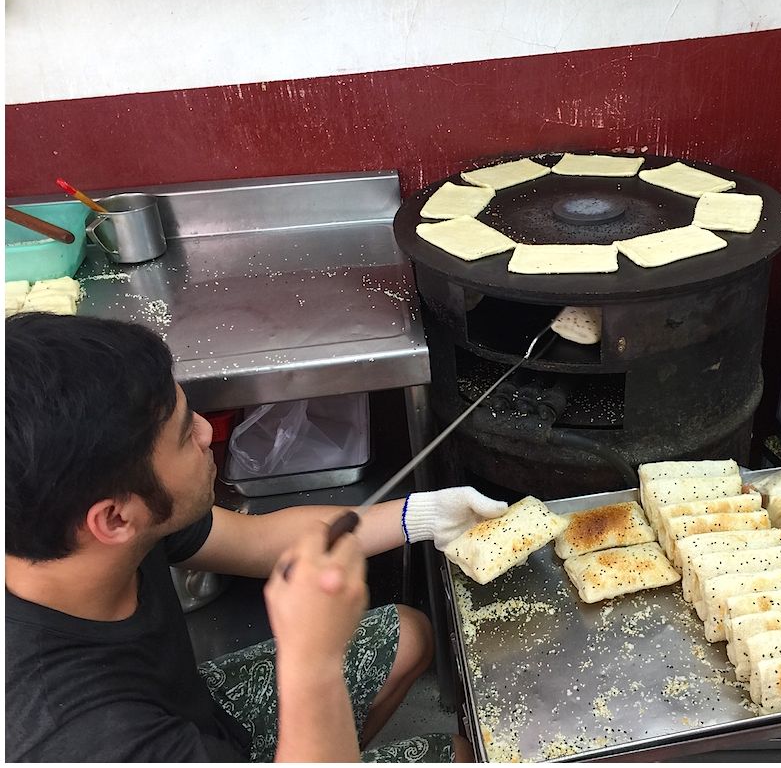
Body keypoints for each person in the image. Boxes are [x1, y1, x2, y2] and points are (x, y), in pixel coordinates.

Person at [5, 313, 508, 762]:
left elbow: (260, 540)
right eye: (185, 435)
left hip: (198, 718)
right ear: (114, 520)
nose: (207, 432)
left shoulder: (65, 521)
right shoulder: (84, 739)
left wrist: (423, 515)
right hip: (173, 741)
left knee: (408, 633)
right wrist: (312, 662)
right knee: (457, 755)